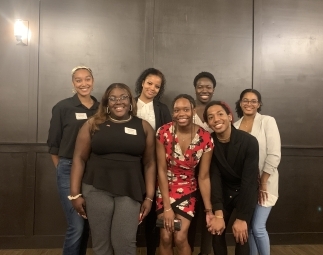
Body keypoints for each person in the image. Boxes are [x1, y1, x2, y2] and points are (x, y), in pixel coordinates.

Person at [69, 83, 156, 255]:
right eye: (113, 98)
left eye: (123, 97)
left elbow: (150, 163)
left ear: (130, 100)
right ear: (106, 102)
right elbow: (79, 158)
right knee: (102, 246)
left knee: (124, 244)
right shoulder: (93, 124)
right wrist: (74, 193)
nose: (119, 101)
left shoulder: (144, 126)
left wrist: (150, 197)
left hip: (130, 190)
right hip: (96, 188)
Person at [47, 66, 99, 255]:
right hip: (68, 169)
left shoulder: (100, 108)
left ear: (93, 81)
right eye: (78, 80)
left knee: (86, 225)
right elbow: (53, 145)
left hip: (92, 172)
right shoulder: (63, 107)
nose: (83, 83)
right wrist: (62, 169)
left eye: (87, 79)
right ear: (73, 83)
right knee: (76, 225)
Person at [156, 94, 214, 255]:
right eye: (177, 110)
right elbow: (160, 169)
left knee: (180, 237)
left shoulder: (205, 138)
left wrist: (209, 210)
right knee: (166, 236)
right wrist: (167, 207)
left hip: (188, 190)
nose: (181, 114)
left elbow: (203, 176)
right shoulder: (163, 132)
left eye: (186, 109)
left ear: (193, 111)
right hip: (164, 188)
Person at [203, 101, 259, 255]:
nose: (216, 119)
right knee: (216, 231)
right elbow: (215, 177)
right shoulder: (209, 143)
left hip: (244, 191)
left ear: (229, 117)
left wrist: (241, 218)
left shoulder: (249, 141)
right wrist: (218, 214)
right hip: (223, 190)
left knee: (241, 235)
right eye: (211, 117)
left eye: (220, 114)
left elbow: (249, 181)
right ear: (208, 123)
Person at [234, 89, 281, 255]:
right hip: (246, 187)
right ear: (240, 103)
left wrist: (262, 183)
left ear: (259, 104)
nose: (249, 104)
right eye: (245, 100)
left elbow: (274, 154)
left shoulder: (267, 121)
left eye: (253, 101)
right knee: (251, 228)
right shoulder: (235, 126)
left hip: (265, 184)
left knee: (258, 227)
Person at [135, 68, 172, 255]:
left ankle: (151, 251)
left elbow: (167, 139)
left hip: (154, 166)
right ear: (142, 82)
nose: (152, 88)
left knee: (151, 214)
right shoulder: (129, 104)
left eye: (157, 86)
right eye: (149, 83)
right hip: (130, 166)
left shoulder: (162, 109)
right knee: (131, 210)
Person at [188, 71, 216, 255]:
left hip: (212, 173)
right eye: (200, 87)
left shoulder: (217, 111)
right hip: (188, 173)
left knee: (209, 214)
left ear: (213, 90)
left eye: (208, 87)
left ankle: (206, 252)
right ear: (195, 89)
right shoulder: (188, 111)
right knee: (189, 217)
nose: (204, 90)